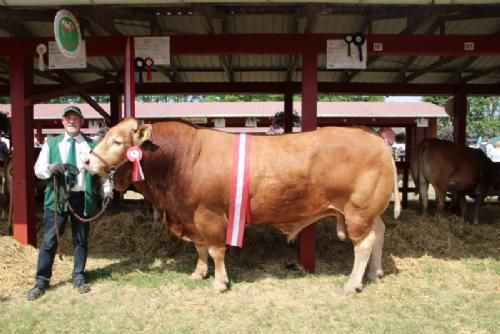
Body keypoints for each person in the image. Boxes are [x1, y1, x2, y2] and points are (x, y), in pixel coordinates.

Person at [27, 106, 113, 301]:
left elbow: (101, 170)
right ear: (63, 122)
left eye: (76, 118)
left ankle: (78, 276)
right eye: (68, 118)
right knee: (50, 240)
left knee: (81, 239)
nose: (72, 121)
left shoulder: (92, 144)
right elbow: (38, 169)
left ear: (81, 121)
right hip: (57, 197)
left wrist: (106, 188)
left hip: (82, 198)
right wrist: (50, 168)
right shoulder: (52, 142)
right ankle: (41, 281)